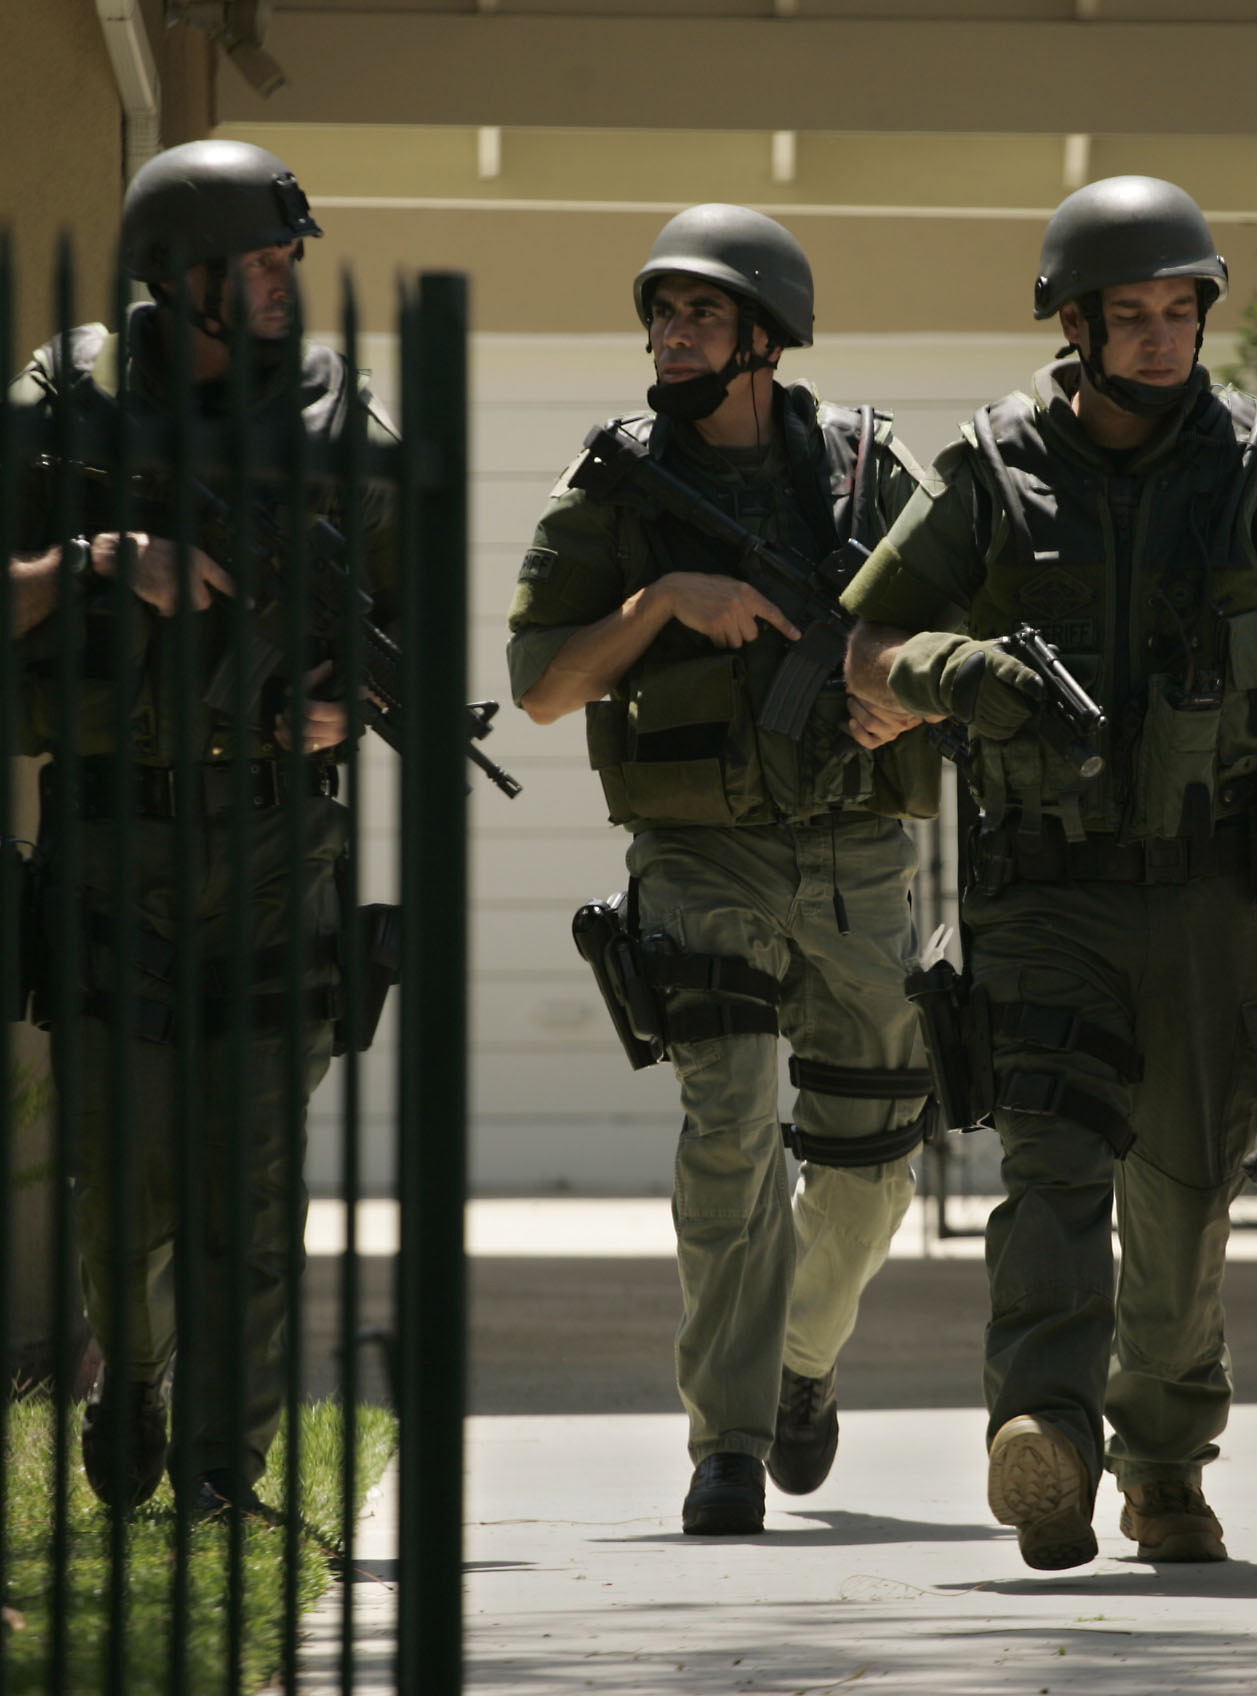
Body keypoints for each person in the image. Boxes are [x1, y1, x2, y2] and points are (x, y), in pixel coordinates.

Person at [840, 175, 1257, 1571]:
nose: (1164, 338)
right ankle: (1046, 1433)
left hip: (1214, 902)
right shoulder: (992, 471)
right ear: (1075, 325)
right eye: (1134, 316)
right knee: (1052, 1163)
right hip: (1043, 894)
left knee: (1182, 1198)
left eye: (1183, 312)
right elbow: (867, 649)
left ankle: (1166, 1461)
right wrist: (959, 671)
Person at [0, 137, 399, 1519]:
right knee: (122, 1182)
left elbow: (406, 623)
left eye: (289, 260)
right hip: (110, 844)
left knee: (253, 1189)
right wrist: (101, 559)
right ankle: (129, 1375)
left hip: (274, 846)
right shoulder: (64, 402)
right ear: (177, 278)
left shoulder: (337, 421)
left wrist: (348, 708)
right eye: (256, 263)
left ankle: (220, 1474)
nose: (283, 283)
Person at [506, 205, 943, 1535]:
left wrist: (906, 691)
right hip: (701, 859)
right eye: (661, 312)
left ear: (767, 335)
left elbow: (966, 628)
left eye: (701, 312)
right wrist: (660, 605)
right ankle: (729, 1441)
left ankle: (801, 1360)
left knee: (874, 1164)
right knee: (730, 1134)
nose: (672, 333)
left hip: (860, 857)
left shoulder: (867, 473)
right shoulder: (616, 490)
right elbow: (539, 688)